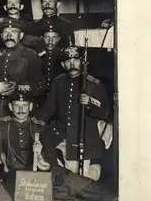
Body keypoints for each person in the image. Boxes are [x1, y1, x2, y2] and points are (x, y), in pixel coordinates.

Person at [35, 46, 112, 180]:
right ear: (63, 64)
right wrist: (37, 122)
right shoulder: (58, 82)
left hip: (84, 135)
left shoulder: (93, 83)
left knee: (80, 177)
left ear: (82, 62)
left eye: (76, 60)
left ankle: (93, 171)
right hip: (61, 130)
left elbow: (105, 111)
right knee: (44, 152)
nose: (72, 64)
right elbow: (49, 107)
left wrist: (89, 102)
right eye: (68, 61)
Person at [0, 17, 46, 145]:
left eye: (13, 32)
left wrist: (19, 87)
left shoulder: (30, 55)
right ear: (1, 36)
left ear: (21, 35)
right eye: (5, 33)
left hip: (20, 104)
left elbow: (41, 86)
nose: (9, 36)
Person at [0, 90, 47, 193]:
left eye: (24, 105)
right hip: (13, 174)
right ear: (10, 107)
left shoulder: (38, 126)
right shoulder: (2, 126)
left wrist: (41, 155)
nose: (20, 110)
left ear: (31, 106)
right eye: (16, 105)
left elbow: (48, 159)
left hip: (37, 173)